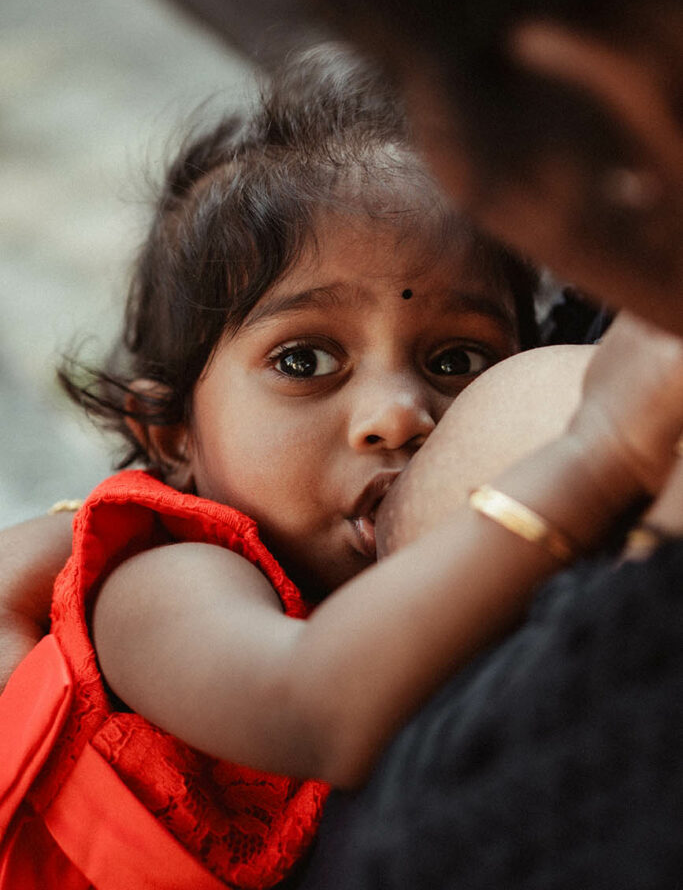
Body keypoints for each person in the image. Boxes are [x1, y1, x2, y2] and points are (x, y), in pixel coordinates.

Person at [3, 43, 649, 888]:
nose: (396, 414)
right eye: (305, 361)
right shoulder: (165, 580)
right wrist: (595, 455)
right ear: (171, 437)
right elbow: (313, 709)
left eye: (455, 360)